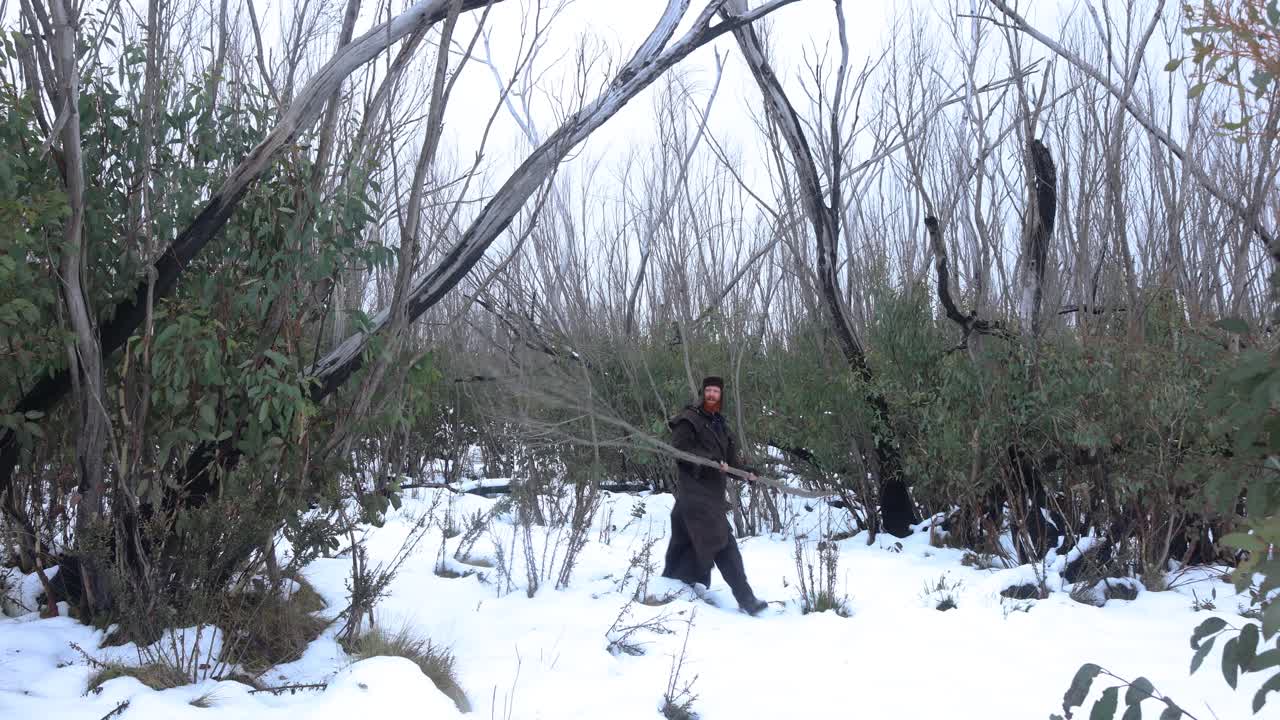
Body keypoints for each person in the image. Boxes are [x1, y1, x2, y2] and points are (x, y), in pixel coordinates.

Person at [661, 375, 769, 615]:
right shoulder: (689, 419)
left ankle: (672, 588)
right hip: (694, 493)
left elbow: (730, 462)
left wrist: (747, 473)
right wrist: (708, 460)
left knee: (684, 542)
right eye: (708, 391)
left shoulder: (720, 425)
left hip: (710, 497)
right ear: (703, 393)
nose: (711, 395)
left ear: (721, 396)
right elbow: (680, 450)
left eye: (716, 392)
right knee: (723, 543)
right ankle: (746, 599)